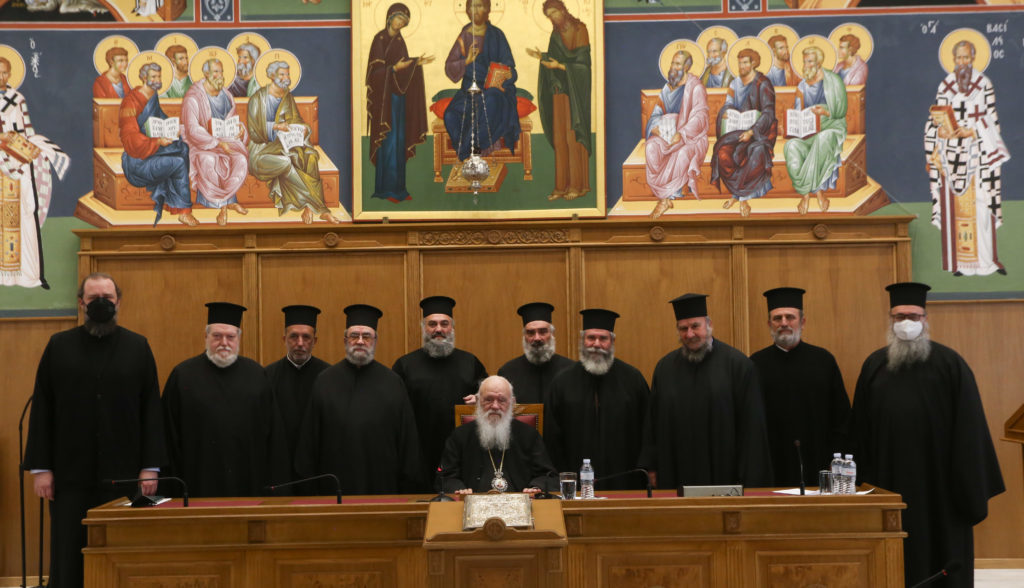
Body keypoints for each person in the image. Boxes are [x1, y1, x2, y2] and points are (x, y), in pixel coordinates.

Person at [851, 282, 1004, 588]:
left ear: (925, 318)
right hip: (888, 484)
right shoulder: (874, 365)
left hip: (941, 490)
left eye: (913, 316)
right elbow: (860, 432)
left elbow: (970, 430)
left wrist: (967, 487)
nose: (906, 323)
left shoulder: (951, 365)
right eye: (899, 316)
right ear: (891, 320)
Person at [23, 273, 165, 588]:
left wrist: (150, 467)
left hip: (125, 476)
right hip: (70, 477)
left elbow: (151, 410)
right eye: (93, 298)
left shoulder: (137, 347)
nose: (101, 303)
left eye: (108, 298)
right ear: (81, 303)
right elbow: (43, 408)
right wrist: (41, 469)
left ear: (118, 302)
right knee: (69, 554)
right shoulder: (59, 346)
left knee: (122, 553)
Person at [639, 294, 773, 489]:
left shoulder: (738, 366)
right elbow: (652, 423)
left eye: (695, 326)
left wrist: (750, 478)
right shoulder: (665, 368)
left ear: (709, 325)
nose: (690, 334)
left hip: (725, 474)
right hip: (677, 472)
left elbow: (752, 429)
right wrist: (651, 466)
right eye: (683, 328)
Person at [162, 302, 288, 497]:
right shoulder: (183, 376)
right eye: (217, 336)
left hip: (248, 483)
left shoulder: (257, 376)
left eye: (230, 337)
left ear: (239, 338)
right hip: (198, 482)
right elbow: (168, 436)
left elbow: (273, 437)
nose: (224, 343)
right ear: (206, 337)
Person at [294, 304, 422, 495]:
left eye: (366, 336)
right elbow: (310, 442)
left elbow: (407, 442)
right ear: (345, 340)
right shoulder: (325, 381)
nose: (360, 341)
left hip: (382, 486)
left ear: (375, 341)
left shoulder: (393, 383)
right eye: (354, 336)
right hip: (335, 489)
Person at [749, 287, 849, 487]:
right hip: (772, 464)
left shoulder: (823, 361)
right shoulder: (755, 364)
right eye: (777, 318)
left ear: (802, 322)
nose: (784, 323)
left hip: (818, 461)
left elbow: (841, 417)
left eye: (790, 317)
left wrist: (837, 461)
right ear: (769, 324)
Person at [924, 40, 1009, 276]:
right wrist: (940, 132)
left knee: (982, 205)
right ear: (953, 60)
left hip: (978, 156)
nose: (962, 63)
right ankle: (962, 263)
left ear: (973, 59)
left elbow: (992, 120)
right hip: (952, 157)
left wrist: (971, 131)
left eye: (966, 58)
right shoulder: (946, 85)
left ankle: (987, 261)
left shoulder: (984, 84)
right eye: (958, 58)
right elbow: (936, 119)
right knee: (957, 208)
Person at [544, 309, 649, 490]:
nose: (596, 344)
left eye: (603, 338)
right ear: (582, 341)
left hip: (624, 480)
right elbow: (552, 437)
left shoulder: (633, 379)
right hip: (575, 482)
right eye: (591, 338)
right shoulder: (562, 382)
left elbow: (647, 428)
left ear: (612, 342)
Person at [392, 295, 487, 487]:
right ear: (424, 328)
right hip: (418, 452)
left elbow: (489, 398)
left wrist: (481, 399)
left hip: (462, 452)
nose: (438, 329)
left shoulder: (470, 362)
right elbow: (394, 410)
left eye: (444, 324)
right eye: (432, 324)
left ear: (452, 328)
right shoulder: (405, 365)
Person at [0, 56, 70, 288]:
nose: (1, 76)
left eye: (4, 72)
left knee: (24, 212)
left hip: (17, 160)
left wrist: (26, 147)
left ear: (10, 74)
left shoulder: (17, 99)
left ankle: (27, 274)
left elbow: (26, 130)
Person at [248, 61, 340, 224]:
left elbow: (297, 120)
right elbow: (254, 132)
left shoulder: (287, 97)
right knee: (285, 162)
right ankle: (320, 208)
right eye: (282, 74)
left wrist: (303, 129)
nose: (286, 77)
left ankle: (308, 208)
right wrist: (276, 127)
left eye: (287, 74)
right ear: (272, 76)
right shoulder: (258, 98)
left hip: (283, 145)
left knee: (310, 157)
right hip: (261, 150)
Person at [439, 376, 557, 494]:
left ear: (512, 403)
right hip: (473, 502)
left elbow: (548, 475)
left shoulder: (529, 435)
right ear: (478, 401)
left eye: (501, 400)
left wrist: (536, 487)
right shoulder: (460, 435)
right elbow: (445, 477)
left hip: (520, 502)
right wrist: (459, 490)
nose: (495, 406)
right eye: (488, 399)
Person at [366, 3, 433, 203]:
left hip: (398, 99)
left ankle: (399, 189)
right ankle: (386, 190)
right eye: (399, 19)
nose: (400, 23)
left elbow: (404, 67)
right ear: (390, 17)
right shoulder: (379, 39)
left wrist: (415, 64)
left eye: (404, 22)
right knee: (389, 141)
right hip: (384, 102)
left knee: (399, 141)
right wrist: (394, 69)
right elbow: (374, 74)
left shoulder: (399, 40)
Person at [526, 0, 590, 202]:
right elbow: (554, 58)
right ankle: (560, 187)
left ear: (563, 10)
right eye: (549, 15)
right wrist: (542, 58)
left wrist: (561, 67)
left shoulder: (580, 30)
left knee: (572, 138)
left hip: (574, 94)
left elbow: (583, 65)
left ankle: (577, 186)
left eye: (554, 13)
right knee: (559, 139)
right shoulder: (555, 35)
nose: (552, 18)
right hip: (558, 91)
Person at [442, 0, 520, 161]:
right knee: (450, 115)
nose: (475, 10)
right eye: (472, 6)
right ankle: (471, 151)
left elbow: (511, 70)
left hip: (493, 91)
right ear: (466, 10)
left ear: (488, 9)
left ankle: (465, 152)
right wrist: (467, 61)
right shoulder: (464, 36)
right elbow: (449, 68)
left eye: (480, 5)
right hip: (468, 92)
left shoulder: (497, 36)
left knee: (489, 101)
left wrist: (503, 76)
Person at [118, 61, 193, 226]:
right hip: (138, 160)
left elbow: (159, 117)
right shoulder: (130, 102)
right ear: (144, 78)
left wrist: (172, 127)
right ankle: (184, 211)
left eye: (159, 76)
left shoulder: (152, 95)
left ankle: (173, 203)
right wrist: (157, 141)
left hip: (152, 149)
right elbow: (129, 138)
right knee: (178, 163)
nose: (157, 80)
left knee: (183, 148)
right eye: (153, 77)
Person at [265, 304, 330, 485]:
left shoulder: (329, 377)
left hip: (318, 471)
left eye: (306, 337)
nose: (300, 343)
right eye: (294, 336)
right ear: (284, 339)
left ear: (315, 341)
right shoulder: (267, 376)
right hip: (278, 469)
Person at [181, 58, 250, 226]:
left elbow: (233, 119)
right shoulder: (193, 97)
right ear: (206, 74)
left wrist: (240, 129)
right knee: (209, 160)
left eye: (221, 71)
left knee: (240, 159)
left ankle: (229, 199)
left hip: (226, 140)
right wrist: (216, 143)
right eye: (216, 72)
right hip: (201, 144)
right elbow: (192, 129)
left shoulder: (226, 95)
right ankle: (221, 206)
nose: (220, 75)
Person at [711, 48, 778, 217]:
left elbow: (769, 113)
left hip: (760, 132)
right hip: (736, 129)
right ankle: (739, 192)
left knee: (756, 151)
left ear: (754, 63)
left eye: (745, 62)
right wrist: (726, 111)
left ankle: (741, 197)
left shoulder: (763, 83)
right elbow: (728, 103)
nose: (741, 66)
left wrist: (752, 131)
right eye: (740, 63)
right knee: (722, 153)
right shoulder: (734, 83)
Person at [643, 49, 709, 219]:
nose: (673, 67)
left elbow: (701, 117)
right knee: (651, 147)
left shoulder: (695, 88)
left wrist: (682, 133)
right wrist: (655, 127)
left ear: (686, 67)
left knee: (682, 153)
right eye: (672, 63)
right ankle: (665, 195)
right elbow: (656, 114)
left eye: (678, 64)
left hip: (691, 137)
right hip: (667, 134)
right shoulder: (667, 88)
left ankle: (666, 198)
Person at [783, 46, 847, 215]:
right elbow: (798, 111)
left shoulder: (833, 81)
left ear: (819, 62)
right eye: (804, 61)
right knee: (791, 146)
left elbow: (841, 111)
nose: (806, 65)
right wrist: (792, 124)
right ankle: (806, 193)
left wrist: (824, 112)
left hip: (832, 127)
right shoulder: (802, 85)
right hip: (809, 129)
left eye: (810, 61)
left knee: (822, 139)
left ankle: (816, 193)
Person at [496, 302, 574, 405]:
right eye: (531, 332)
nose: (537, 338)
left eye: (543, 331)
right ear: (524, 336)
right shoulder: (507, 372)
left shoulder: (571, 370)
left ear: (552, 334)